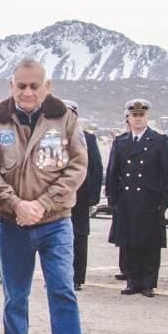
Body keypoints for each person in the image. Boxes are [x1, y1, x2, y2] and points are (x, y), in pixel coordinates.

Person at [0, 58, 96, 334]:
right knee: (15, 293)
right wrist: (16, 204)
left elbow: (77, 167)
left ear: (47, 87)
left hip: (55, 222)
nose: (28, 92)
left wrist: (42, 204)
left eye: (35, 85)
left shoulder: (65, 119)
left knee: (63, 289)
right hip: (11, 222)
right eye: (21, 85)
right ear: (11, 86)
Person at [105, 99, 168, 298]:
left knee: (149, 245)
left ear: (147, 118)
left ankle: (148, 283)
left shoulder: (159, 141)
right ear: (128, 118)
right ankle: (132, 281)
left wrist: (165, 201)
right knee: (129, 243)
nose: (137, 119)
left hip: (150, 201)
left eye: (141, 115)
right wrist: (113, 199)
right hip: (127, 201)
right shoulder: (121, 141)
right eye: (134, 115)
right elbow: (113, 172)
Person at [63, 101, 103, 291]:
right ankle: (59, 277)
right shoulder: (51, 138)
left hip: (81, 196)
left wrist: (93, 197)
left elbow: (95, 168)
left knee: (79, 236)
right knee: (59, 239)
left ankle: (77, 277)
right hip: (59, 196)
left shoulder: (89, 139)